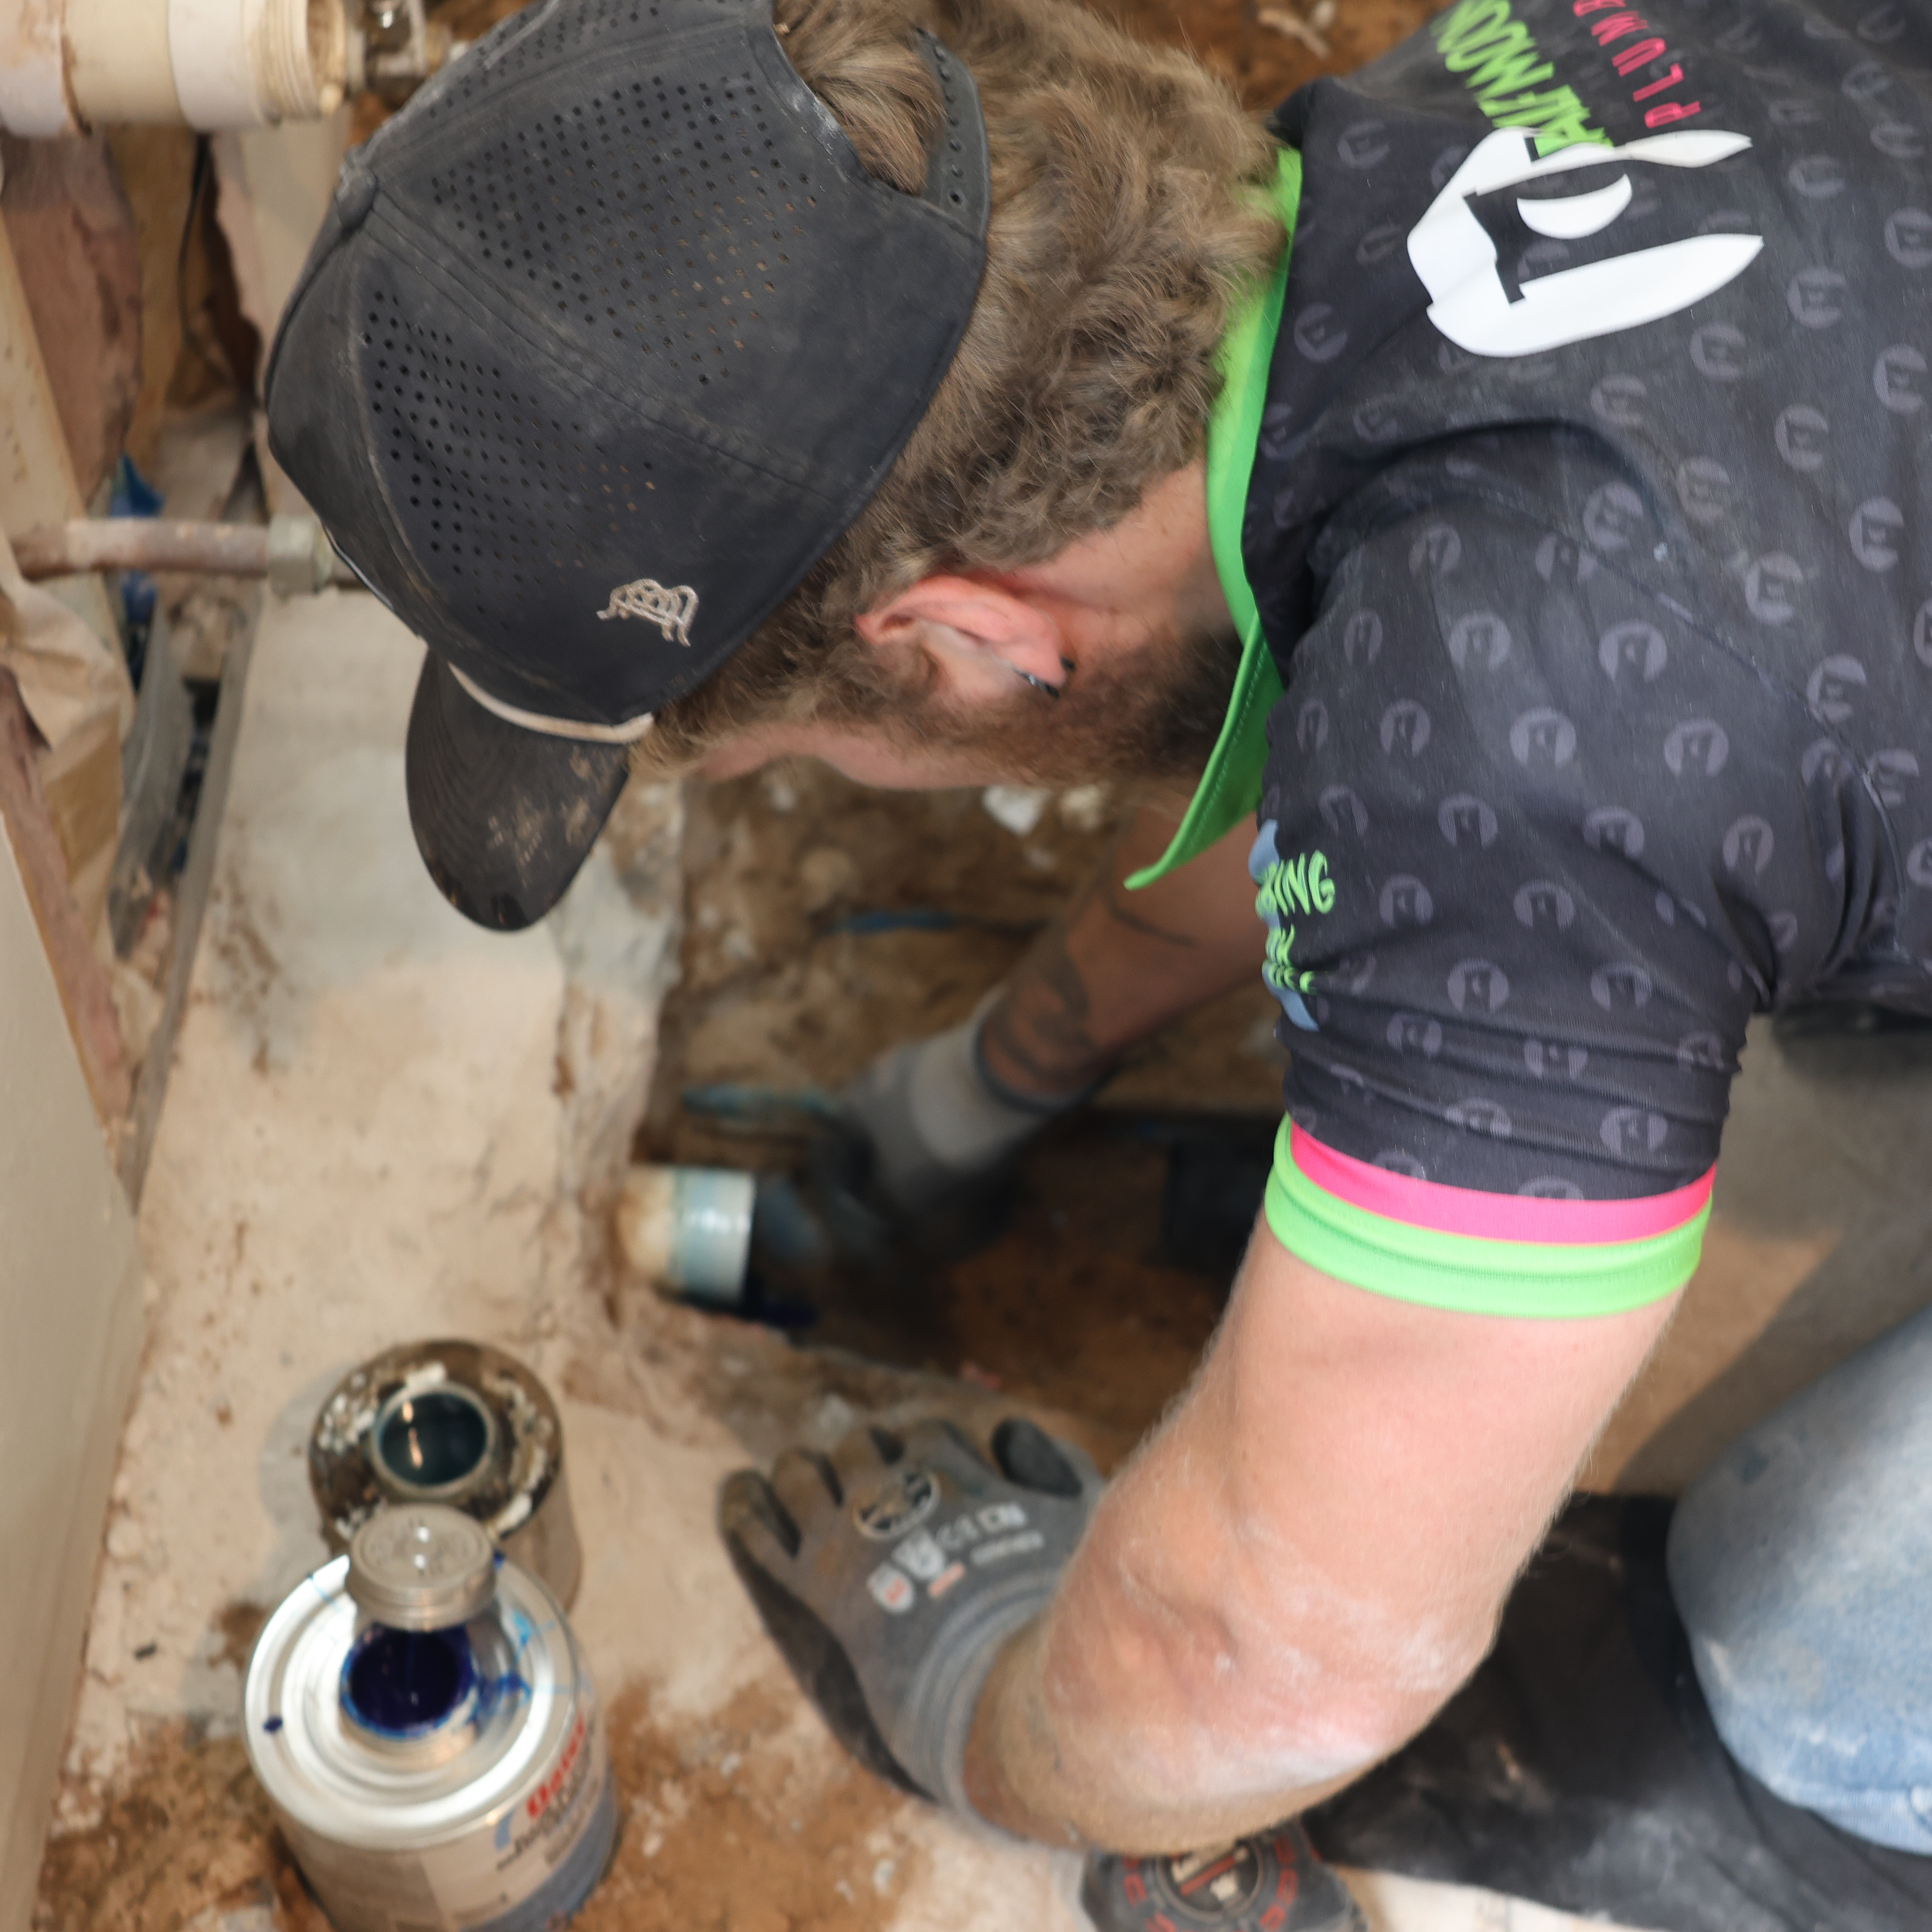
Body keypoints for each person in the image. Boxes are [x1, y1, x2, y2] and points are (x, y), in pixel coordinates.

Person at [264, 0, 1932, 1920]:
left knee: (1798, 1649)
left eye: (813, 737)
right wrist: (991, 1075)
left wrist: (990, 1688)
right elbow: (1423, 745)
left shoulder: (1524, 739)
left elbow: (1274, 1656)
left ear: (970, 637)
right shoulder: (1420, 141)